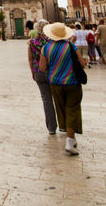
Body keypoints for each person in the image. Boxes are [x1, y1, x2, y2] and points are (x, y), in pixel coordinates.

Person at [39, 22, 86, 155]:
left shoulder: (46, 48)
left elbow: (42, 68)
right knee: (73, 108)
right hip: (72, 83)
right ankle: (70, 140)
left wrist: (53, 69)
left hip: (55, 83)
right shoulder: (70, 46)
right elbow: (81, 64)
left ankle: (68, 133)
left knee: (61, 108)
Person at [27, 19, 57, 135]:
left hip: (38, 72)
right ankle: (63, 126)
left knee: (46, 99)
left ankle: (51, 127)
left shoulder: (32, 42)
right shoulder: (52, 42)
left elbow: (30, 59)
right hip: (53, 72)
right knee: (58, 98)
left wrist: (33, 73)